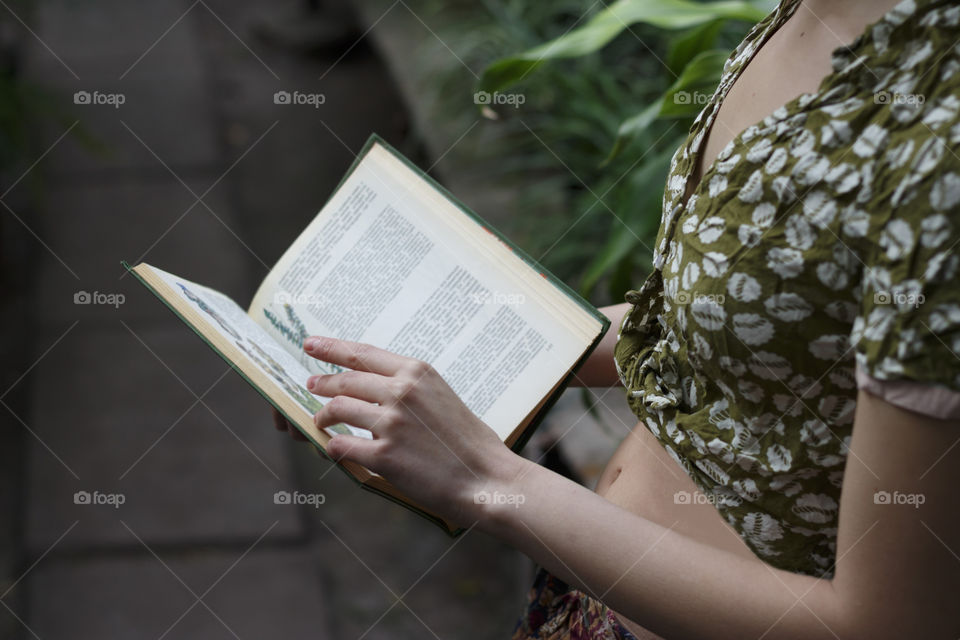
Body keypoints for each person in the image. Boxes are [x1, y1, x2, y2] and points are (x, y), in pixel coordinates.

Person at [272, 0, 960, 637]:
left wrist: (488, 480)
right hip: (587, 595)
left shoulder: (939, 144)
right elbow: (740, 330)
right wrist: (461, 351)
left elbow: (885, 624)